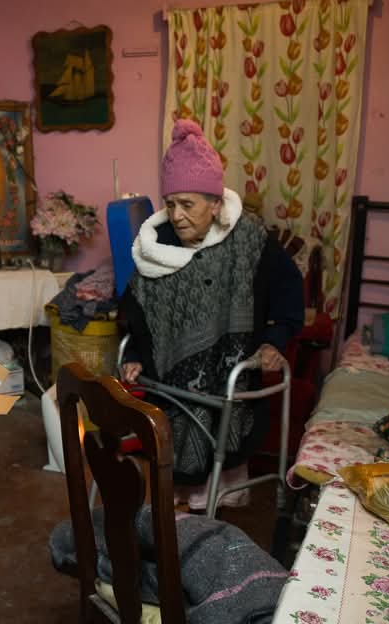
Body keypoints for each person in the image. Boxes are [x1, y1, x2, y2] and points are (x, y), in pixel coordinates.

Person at [119, 119, 303, 509]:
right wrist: (134, 354)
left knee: (217, 479)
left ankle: (208, 525)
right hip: (171, 390)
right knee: (172, 486)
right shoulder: (157, 246)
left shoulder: (249, 239)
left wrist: (274, 341)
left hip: (229, 384)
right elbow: (139, 310)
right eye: (171, 204)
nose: (177, 215)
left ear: (215, 204)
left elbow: (288, 294)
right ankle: (179, 524)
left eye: (188, 204)